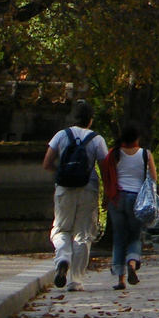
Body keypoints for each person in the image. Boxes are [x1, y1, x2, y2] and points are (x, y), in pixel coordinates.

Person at [42, 100, 110, 291]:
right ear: (90, 120)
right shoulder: (97, 139)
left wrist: (62, 174)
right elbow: (105, 170)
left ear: (74, 118)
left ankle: (63, 258)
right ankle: (76, 280)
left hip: (65, 189)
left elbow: (47, 163)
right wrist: (107, 195)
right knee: (83, 234)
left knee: (61, 229)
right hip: (88, 189)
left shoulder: (61, 136)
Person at [105, 123, 156, 291]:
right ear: (137, 138)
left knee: (119, 238)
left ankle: (121, 279)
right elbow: (153, 178)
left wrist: (106, 200)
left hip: (117, 199)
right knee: (135, 236)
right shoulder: (144, 154)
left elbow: (107, 177)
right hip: (137, 199)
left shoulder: (114, 154)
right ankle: (132, 264)